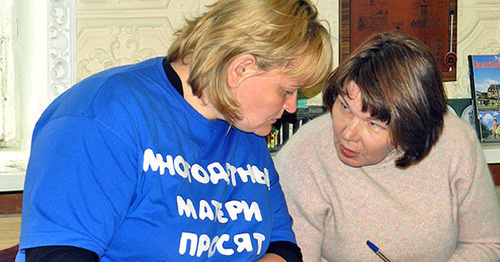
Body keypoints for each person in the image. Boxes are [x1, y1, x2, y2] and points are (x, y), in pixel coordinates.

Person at [16, 0, 333, 261]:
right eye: (287, 90)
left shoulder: (245, 128)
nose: (292, 106)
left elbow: (281, 247)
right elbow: (58, 254)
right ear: (242, 69)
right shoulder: (100, 119)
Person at [275, 31, 500, 261]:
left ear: (410, 128)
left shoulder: (455, 142)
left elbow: (486, 244)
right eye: (344, 107)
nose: (348, 133)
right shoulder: (304, 155)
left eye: (373, 123)